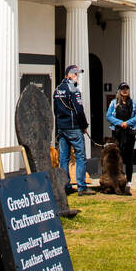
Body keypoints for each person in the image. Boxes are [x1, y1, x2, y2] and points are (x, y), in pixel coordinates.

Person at [53, 64, 90, 193]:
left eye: (77, 74)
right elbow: (79, 109)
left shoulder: (57, 90)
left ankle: (65, 186)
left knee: (64, 158)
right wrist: (84, 126)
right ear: (69, 75)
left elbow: (55, 110)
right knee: (80, 156)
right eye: (75, 74)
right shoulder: (73, 89)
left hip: (62, 127)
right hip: (73, 127)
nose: (77, 77)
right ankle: (81, 186)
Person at [105, 82, 136, 183]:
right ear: (119, 91)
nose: (125, 91)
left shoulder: (133, 104)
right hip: (117, 132)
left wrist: (127, 123)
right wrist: (120, 123)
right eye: (123, 89)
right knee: (117, 155)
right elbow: (108, 116)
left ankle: (129, 180)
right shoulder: (114, 103)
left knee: (129, 157)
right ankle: (118, 177)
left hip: (130, 132)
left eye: (126, 89)